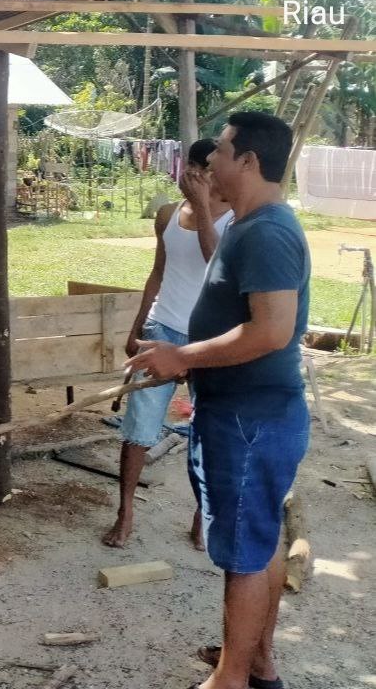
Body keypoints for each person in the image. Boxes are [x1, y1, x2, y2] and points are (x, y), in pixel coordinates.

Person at [127, 112, 310, 689]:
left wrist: (182, 358)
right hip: (242, 412)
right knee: (259, 537)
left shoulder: (268, 233)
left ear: (249, 161)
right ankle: (257, 666)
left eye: (223, 151)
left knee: (243, 552)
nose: (212, 162)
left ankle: (229, 679)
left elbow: (271, 331)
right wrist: (184, 367)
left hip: (250, 420)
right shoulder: (245, 223)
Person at [103, 139, 234, 549]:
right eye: (186, 169)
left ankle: (202, 515)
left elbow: (219, 268)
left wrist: (206, 206)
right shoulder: (167, 214)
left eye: (198, 171)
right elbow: (157, 272)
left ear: (213, 172)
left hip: (208, 340)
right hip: (163, 329)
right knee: (138, 427)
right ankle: (125, 512)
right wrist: (137, 324)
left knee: (208, 430)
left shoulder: (236, 218)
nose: (188, 178)